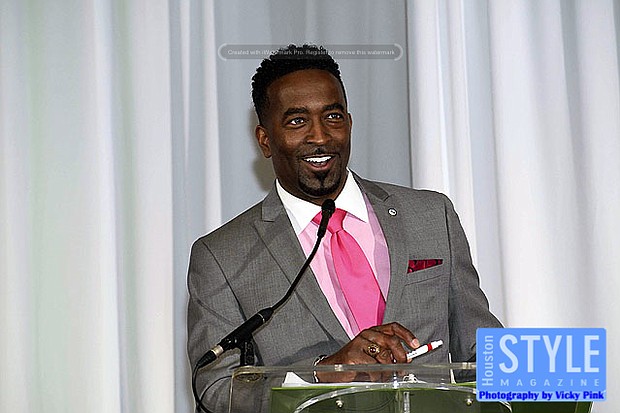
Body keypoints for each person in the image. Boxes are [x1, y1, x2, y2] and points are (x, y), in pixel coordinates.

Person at [187, 44, 502, 412]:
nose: (320, 137)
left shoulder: (431, 216)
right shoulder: (222, 256)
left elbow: (481, 347)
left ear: (349, 123)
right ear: (265, 140)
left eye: (333, 117)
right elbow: (215, 390)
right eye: (297, 121)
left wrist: (547, 375)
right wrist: (322, 374)